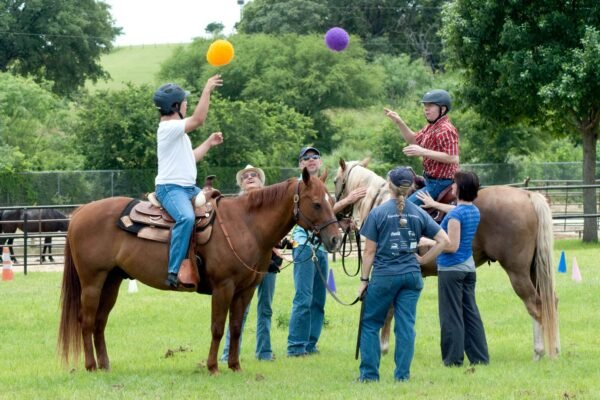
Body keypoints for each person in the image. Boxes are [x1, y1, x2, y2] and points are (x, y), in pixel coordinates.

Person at [357, 166, 449, 382]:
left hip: (385, 276)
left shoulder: (377, 213)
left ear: (389, 185)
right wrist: (423, 260)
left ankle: (369, 376)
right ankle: (402, 376)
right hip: (411, 276)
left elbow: (369, 252)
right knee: (406, 326)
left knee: (370, 324)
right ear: (409, 189)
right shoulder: (418, 212)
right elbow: (444, 240)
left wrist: (363, 280)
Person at [287, 146, 367, 357]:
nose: (312, 160)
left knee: (318, 300)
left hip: (320, 248)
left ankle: (310, 344)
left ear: (320, 162)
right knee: (303, 297)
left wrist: (342, 224)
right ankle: (296, 346)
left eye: (315, 157)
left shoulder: (321, 187)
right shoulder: (298, 187)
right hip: (304, 246)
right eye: (307, 157)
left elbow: (325, 217)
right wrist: (348, 201)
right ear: (301, 164)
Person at [153, 75, 223, 289]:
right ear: (176, 105)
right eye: (184, 101)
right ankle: (173, 271)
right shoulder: (168, 128)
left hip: (188, 188)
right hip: (170, 189)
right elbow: (199, 119)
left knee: (219, 207)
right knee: (186, 218)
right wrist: (207, 90)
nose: (187, 103)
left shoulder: (177, 131)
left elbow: (190, 157)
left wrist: (209, 143)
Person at [417, 171, 489, 367]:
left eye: (455, 184)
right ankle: (480, 357)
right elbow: (455, 209)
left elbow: (451, 246)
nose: (452, 187)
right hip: (468, 269)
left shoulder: (456, 215)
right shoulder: (473, 210)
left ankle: (453, 360)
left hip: (451, 270)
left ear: (461, 188)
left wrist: (428, 241)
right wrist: (434, 205)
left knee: (451, 315)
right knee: (470, 313)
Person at [220, 164, 284, 362]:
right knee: (239, 308)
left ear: (261, 180)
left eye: (254, 175)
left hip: (269, 262)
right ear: (241, 182)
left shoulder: (271, 204)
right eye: (245, 176)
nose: (250, 177)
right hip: (244, 263)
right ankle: (228, 354)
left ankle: (264, 352)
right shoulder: (236, 204)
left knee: (266, 308)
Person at [384, 89, 459, 206]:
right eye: (425, 105)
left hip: (440, 183)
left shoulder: (446, 129)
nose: (426, 108)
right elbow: (413, 140)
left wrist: (423, 151)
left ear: (442, 109)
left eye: (430, 105)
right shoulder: (431, 126)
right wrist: (399, 122)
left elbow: (453, 158)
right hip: (430, 180)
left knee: (404, 208)